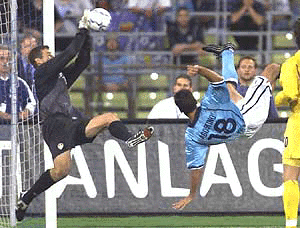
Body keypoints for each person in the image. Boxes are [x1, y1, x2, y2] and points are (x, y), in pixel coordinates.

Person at [15, 9, 154, 221]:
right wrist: (81, 29)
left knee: (109, 117)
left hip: (69, 122)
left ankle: (130, 140)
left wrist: (87, 34)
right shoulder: (42, 73)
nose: (52, 56)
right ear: (39, 61)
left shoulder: (57, 77)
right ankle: (27, 197)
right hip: (54, 126)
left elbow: (82, 62)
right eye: (48, 55)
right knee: (61, 171)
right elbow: (70, 53)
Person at [171, 43, 277, 210]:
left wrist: (191, 194)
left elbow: (196, 169)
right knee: (272, 68)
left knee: (229, 89)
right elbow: (217, 80)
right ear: (193, 98)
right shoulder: (208, 103)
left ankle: (227, 52)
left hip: (240, 130)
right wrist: (200, 69)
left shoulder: (192, 136)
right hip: (249, 116)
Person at [275, 18, 300, 228]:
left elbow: (291, 93)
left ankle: (291, 225)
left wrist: (274, 99)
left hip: (298, 123)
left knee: (291, 175)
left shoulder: (291, 63)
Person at [0, 45, 36, 122]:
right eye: (1, 59)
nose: (5, 62)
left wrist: (26, 112)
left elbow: (31, 103)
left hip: (18, 125)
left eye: (8, 59)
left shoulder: (20, 82)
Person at [236, 56, 279, 120]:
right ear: (238, 70)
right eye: (243, 67)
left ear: (255, 70)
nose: (247, 70)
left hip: (266, 126)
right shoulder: (232, 88)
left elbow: (274, 67)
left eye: (250, 67)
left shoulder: (263, 86)